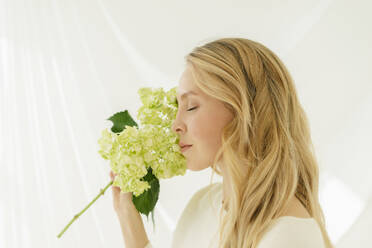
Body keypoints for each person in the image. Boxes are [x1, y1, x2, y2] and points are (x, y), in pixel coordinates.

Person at [110, 37, 334, 248]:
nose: (175, 126)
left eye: (191, 107)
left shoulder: (290, 235)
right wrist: (127, 218)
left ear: (243, 110)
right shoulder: (202, 206)